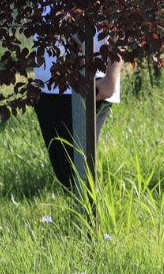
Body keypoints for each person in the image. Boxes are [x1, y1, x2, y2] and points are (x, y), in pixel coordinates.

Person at [34, 29, 123, 191]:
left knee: (77, 170)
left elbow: (120, 24)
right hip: (46, 84)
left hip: (90, 80)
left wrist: (111, 77)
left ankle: (92, 212)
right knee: (63, 173)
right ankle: (77, 211)